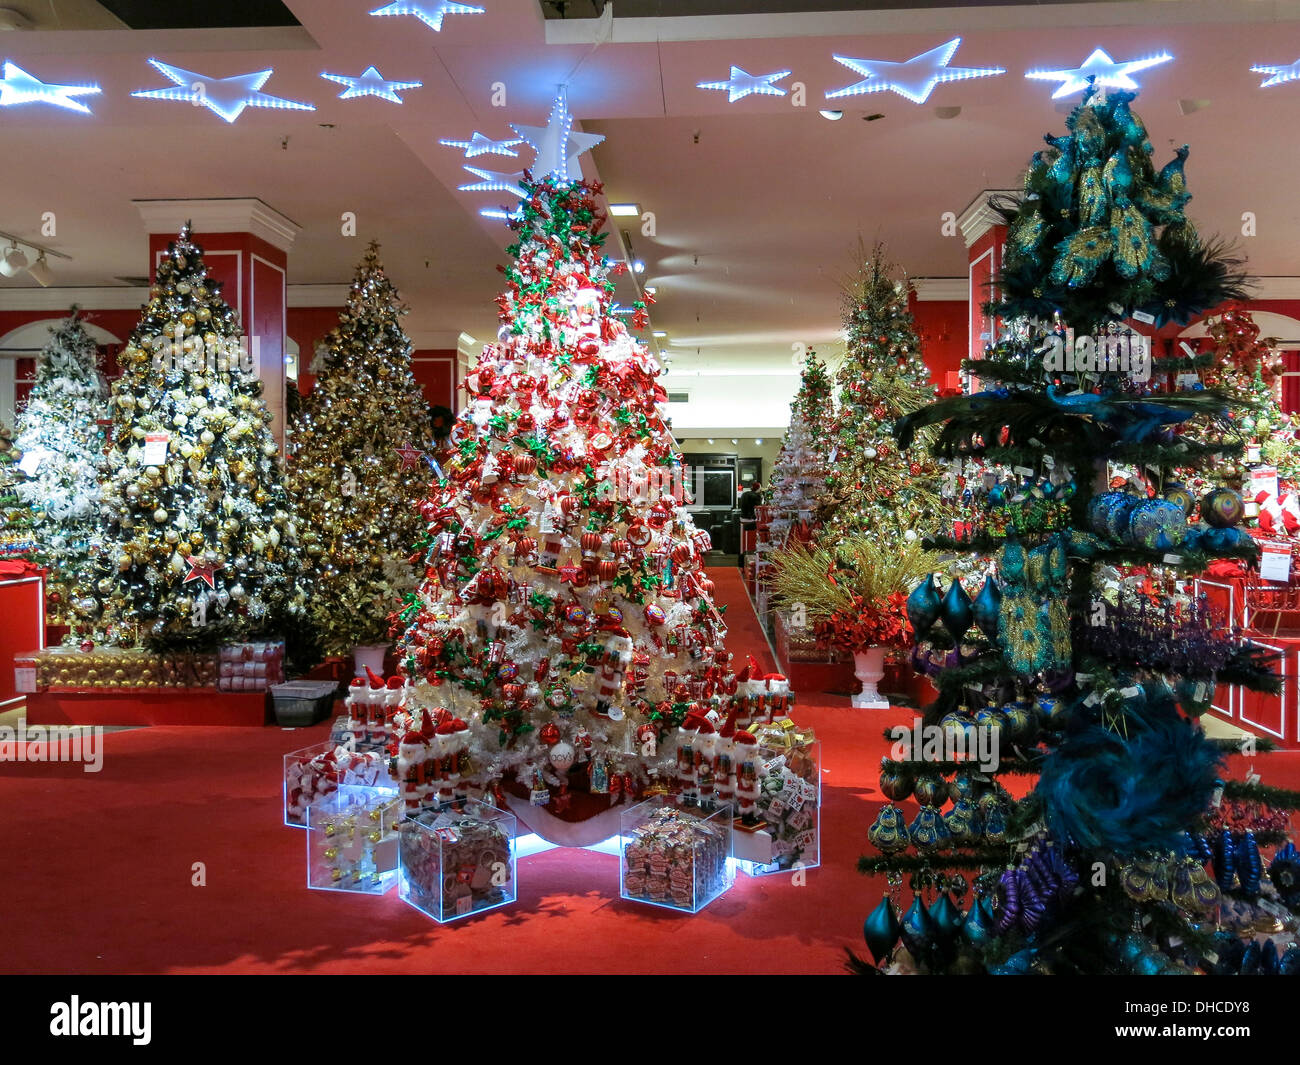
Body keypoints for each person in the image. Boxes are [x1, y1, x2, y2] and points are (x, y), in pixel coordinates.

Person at [738, 480, 762, 570]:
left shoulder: (745, 494)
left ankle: (741, 562)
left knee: (743, 545)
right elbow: (757, 509)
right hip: (750, 520)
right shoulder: (756, 496)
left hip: (742, 518)